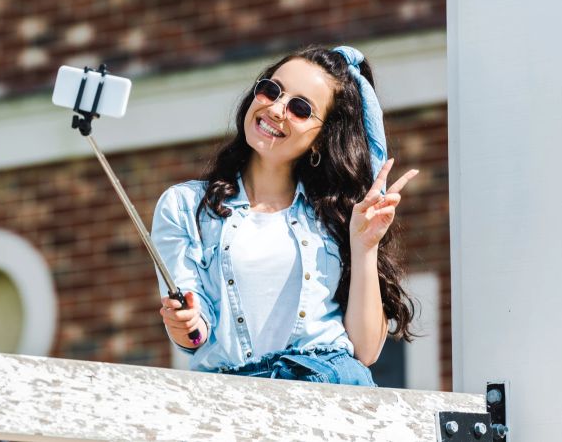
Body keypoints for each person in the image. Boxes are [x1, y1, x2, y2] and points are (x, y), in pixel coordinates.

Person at [151, 46, 419, 386]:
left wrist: (364, 244)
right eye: (271, 90)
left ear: (321, 139)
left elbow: (365, 352)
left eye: (300, 108)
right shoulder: (184, 205)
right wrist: (186, 324)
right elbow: (195, 334)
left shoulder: (339, 214)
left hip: (328, 392)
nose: (276, 109)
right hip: (230, 399)